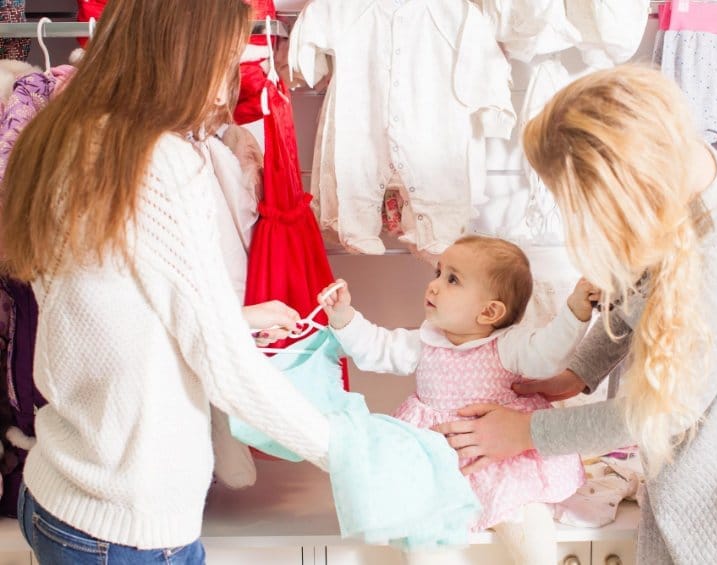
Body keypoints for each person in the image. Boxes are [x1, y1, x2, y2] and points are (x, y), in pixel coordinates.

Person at [434, 66, 717, 564]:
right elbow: (646, 288)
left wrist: (523, 433)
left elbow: (657, 412)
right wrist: (577, 374)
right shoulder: (674, 173)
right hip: (713, 398)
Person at [1, 1, 332, 562]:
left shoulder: (63, 133)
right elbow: (225, 367)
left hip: (61, 490)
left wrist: (234, 318)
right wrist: (352, 451)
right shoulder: (159, 159)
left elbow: (105, 299)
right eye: (224, 65)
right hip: (126, 525)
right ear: (181, 55)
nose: (227, 89)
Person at [319, 235, 599, 565]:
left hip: (501, 465)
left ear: (489, 311)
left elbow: (549, 353)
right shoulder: (423, 343)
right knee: (425, 534)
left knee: (528, 522)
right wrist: (344, 317)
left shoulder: (508, 347)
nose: (434, 286)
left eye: (452, 279)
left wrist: (576, 310)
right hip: (440, 466)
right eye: (438, 273)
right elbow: (376, 348)